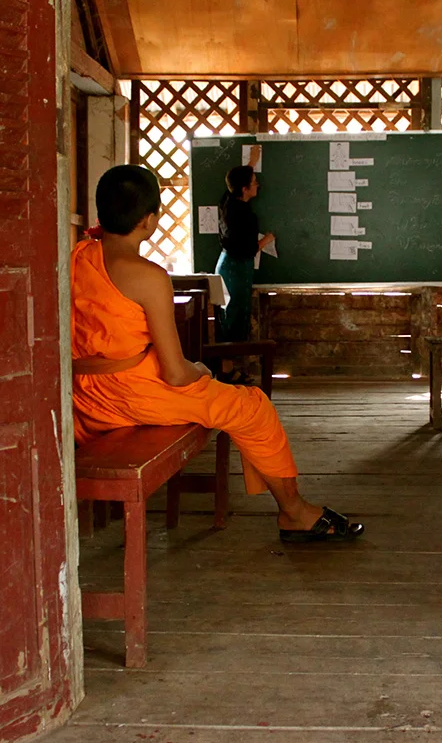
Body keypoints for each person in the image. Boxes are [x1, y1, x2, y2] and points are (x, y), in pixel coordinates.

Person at [72, 165, 363, 542]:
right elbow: (176, 375)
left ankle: (294, 510)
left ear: (101, 212)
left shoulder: (76, 258)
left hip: (82, 399)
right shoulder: (146, 276)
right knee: (253, 406)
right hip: (130, 396)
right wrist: (202, 372)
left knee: (215, 391)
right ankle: (294, 513)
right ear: (149, 220)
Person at [214, 162, 275, 384]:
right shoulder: (246, 217)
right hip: (238, 267)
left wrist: (250, 162)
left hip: (227, 264)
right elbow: (248, 249)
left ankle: (227, 369)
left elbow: (232, 184)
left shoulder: (227, 202)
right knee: (234, 317)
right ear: (244, 189)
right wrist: (266, 240)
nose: (257, 184)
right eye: (253, 182)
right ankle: (227, 371)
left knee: (230, 316)